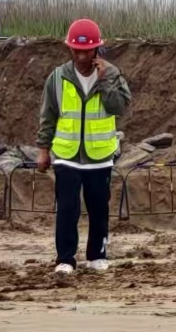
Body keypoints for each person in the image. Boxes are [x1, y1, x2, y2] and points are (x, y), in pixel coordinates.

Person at [38, 18, 130, 276]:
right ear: (69, 48)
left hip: (99, 156)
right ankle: (65, 259)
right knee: (67, 210)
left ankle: (97, 255)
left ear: (97, 49)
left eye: (86, 51)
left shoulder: (112, 74)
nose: (81, 56)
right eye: (76, 50)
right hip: (66, 155)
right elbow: (48, 115)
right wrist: (43, 149)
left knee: (99, 210)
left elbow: (119, 107)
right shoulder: (58, 77)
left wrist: (104, 81)